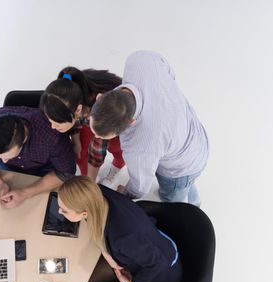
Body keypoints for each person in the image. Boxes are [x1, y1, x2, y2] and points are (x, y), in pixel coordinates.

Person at [57, 176, 182, 282]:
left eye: (64, 210)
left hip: (159, 280)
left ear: (84, 213)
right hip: (138, 254)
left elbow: (158, 263)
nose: (59, 211)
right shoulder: (96, 193)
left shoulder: (123, 238)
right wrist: (108, 256)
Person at [89, 50, 209, 205]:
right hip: (193, 132)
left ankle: (193, 205)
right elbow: (168, 72)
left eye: (103, 136)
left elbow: (140, 187)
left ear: (131, 122)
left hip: (182, 167)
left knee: (172, 198)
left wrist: (124, 194)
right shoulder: (140, 61)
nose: (97, 138)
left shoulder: (141, 146)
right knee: (188, 184)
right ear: (100, 97)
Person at [0, 106, 76, 209]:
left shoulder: (51, 135)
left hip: (46, 168)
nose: (4, 160)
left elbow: (65, 173)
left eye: (8, 156)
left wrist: (25, 193)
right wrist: (0, 184)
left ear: (24, 139)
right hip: (9, 170)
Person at [39, 67, 126, 186]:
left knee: (116, 148)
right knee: (80, 152)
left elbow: (97, 151)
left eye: (58, 122)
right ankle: (88, 176)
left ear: (78, 109)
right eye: (50, 120)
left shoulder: (99, 112)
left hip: (113, 119)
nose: (53, 127)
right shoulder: (66, 95)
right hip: (84, 115)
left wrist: (90, 184)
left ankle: (115, 168)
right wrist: (75, 139)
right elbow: (72, 119)